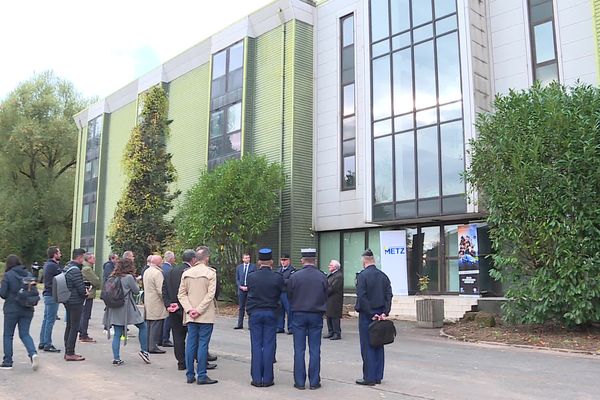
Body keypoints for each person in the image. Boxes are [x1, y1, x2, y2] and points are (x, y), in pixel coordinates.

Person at [287, 248, 327, 390]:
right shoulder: (322, 276)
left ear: (302, 260)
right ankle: (314, 382)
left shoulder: (295, 276)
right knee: (315, 349)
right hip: (316, 314)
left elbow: (289, 295)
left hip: (299, 314)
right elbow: (326, 294)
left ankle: (299, 382)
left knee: (299, 349)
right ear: (315, 260)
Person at [178, 246, 218, 385]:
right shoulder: (211, 273)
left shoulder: (186, 273)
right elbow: (210, 294)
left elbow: (181, 294)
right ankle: (201, 374)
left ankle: (190, 374)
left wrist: (190, 310)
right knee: (203, 344)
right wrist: (199, 310)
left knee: (191, 344)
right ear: (206, 258)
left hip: (190, 315)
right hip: (205, 315)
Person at [102, 257, 151, 366]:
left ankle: (116, 358)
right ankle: (144, 351)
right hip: (127, 308)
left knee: (117, 333)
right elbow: (136, 291)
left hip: (114, 307)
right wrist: (136, 281)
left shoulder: (112, 277)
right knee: (142, 326)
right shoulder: (129, 278)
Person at [246, 248, 284, 387]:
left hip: (255, 313)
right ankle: (267, 379)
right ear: (272, 262)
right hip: (271, 312)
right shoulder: (277, 277)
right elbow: (281, 292)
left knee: (256, 345)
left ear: (259, 262)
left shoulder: (251, 276)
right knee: (268, 345)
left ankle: (256, 379)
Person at [355, 249, 393, 386]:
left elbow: (362, 297)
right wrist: (384, 312)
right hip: (380, 314)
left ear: (364, 261)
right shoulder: (383, 276)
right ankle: (378, 376)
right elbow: (389, 295)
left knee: (367, 346)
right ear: (373, 260)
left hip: (367, 316)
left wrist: (371, 313)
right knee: (378, 345)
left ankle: (369, 377)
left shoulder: (362, 276)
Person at [0, 255, 39, 370]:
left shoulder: (8, 275)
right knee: (25, 334)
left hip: (11, 309)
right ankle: (33, 354)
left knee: (8, 335)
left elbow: (3, 294)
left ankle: (8, 361)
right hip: (27, 308)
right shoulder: (28, 275)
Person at [63, 248, 88, 361]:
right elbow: (80, 288)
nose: (84, 259)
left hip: (68, 300)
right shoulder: (75, 270)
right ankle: (70, 352)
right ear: (79, 257)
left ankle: (67, 349)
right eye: (83, 257)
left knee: (69, 325)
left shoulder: (67, 267)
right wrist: (86, 292)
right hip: (75, 301)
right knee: (74, 327)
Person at [38, 245, 63, 353]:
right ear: (54, 254)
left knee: (46, 319)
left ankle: (42, 341)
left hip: (47, 294)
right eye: (59, 252)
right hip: (52, 295)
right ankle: (47, 343)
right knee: (50, 320)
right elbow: (61, 278)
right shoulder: (53, 266)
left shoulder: (47, 265)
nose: (60, 254)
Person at [142, 254, 168, 354]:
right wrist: (166, 300)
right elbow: (161, 289)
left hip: (148, 300)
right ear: (158, 262)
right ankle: (153, 346)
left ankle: (148, 344)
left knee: (149, 324)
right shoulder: (157, 273)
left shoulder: (147, 271)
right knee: (156, 324)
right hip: (156, 301)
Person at [79, 252, 100, 343]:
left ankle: (82, 333)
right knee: (85, 315)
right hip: (88, 294)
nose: (94, 259)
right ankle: (83, 334)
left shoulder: (85, 267)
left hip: (85, 294)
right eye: (93, 258)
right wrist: (97, 282)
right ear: (89, 259)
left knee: (84, 315)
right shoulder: (87, 269)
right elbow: (96, 281)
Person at [234, 253, 256, 329]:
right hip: (241, 289)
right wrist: (240, 286)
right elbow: (237, 278)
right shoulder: (239, 267)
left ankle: (251, 325)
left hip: (249, 289)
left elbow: (254, 278)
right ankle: (240, 324)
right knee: (241, 307)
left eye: (248, 258)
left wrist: (249, 287)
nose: (247, 259)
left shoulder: (253, 267)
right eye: (246, 258)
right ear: (243, 259)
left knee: (250, 307)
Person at [324, 259, 344, 340]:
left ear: (335, 267)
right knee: (329, 315)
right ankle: (331, 331)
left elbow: (333, 288)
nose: (329, 266)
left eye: (331, 265)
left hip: (335, 300)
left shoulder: (338, 276)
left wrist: (325, 291)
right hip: (329, 299)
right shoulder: (332, 275)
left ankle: (337, 333)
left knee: (334, 316)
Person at [276, 253, 295, 334]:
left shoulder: (292, 270)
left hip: (287, 293)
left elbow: (290, 281)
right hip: (279, 292)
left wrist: (281, 280)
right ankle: (280, 327)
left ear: (289, 261)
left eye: (285, 260)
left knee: (289, 310)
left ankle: (291, 327)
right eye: (282, 260)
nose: (283, 262)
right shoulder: (278, 270)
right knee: (280, 310)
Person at [161, 250, 176, 347]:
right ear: (171, 259)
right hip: (169, 297)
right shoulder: (170, 270)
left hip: (163, 296)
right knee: (168, 319)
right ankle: (165, 338)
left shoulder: (161, 268)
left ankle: (161, 337)